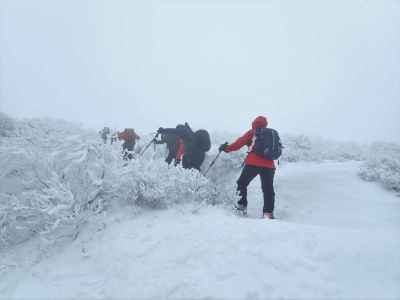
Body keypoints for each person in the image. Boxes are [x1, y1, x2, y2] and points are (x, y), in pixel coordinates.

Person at [219, 116, 278, 219]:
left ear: (254, 123)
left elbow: (239, 143)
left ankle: (241, 207)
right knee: (268, 189)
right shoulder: (271, 134)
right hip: (269, 165)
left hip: (253, 163)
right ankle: (268, 214)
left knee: (242, 183)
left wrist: (226, 148)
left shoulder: (252, 132)